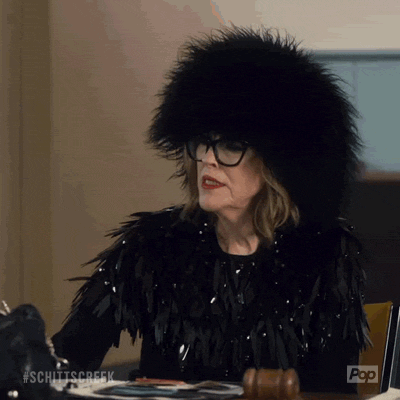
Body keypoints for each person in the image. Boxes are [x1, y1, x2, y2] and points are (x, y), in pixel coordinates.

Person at [51, 25, 369, 393]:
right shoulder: (152, 246)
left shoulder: (326, 255)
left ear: (279, 163)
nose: (207, 159)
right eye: (201, 142)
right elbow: (65, 361)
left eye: (230, 145)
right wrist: (22, 359)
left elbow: (339, 389)